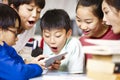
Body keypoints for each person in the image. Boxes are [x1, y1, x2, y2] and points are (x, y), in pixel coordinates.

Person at [0, 3, 46, 80]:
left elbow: (19, 63)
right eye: (15, 32)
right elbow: (18, 73)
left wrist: (30, 64)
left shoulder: (6, 48)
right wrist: (38, 67)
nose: (17, 38)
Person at [39, 9, 84, 74]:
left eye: (58, 36)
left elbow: (76, 75)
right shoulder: (46, 43)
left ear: (68, 34)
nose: (52, 41)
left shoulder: (74, 45)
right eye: (47, 35)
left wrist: (60, 69)